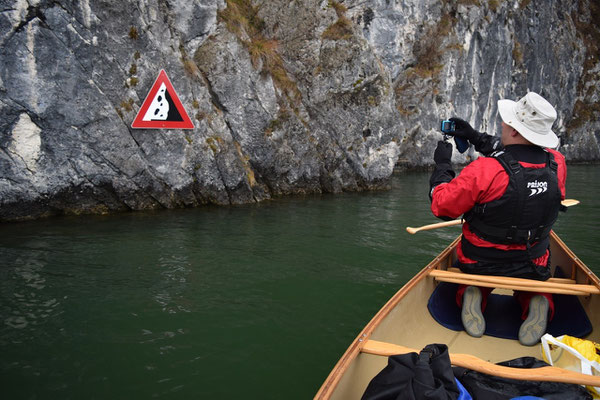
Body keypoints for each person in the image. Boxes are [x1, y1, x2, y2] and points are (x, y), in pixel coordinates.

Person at [429, 92, 567, 346]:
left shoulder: (486, 170)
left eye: (506, 122)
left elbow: (442, 206)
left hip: (479, 260)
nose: (502, 124)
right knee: (533, 281)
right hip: (532, 259)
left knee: (475, 272)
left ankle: (473, 293)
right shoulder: (557, 164)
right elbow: (517, 154)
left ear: (513, 131)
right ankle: (538, 298)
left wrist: (442, 166)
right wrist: (473, 137)